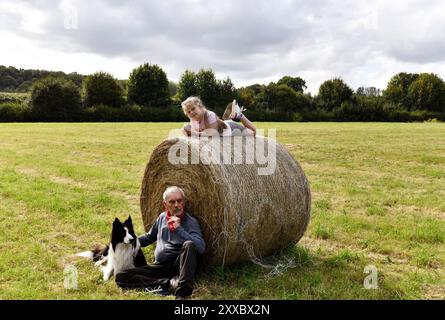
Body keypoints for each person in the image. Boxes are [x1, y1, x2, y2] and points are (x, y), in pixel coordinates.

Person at [115, 186, 205, 300]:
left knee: (189, 244)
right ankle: (165, 284)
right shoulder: (162, 217)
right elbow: (149, 237)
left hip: (179, 267)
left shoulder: (191, 222)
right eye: (172, 202)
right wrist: (129, 242)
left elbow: (200, 247)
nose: (176, 205)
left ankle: (182, 292)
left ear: (184, 202)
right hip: (160, 266)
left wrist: (179, 229)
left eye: (179, 201)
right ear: (165, 204)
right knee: (121, 277)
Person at [181, 96, 256, 137]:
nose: (191, 112)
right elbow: (196, 134)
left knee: (253, 132)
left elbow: (212, 134)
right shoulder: (193, 120)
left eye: (193, 109)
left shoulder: (209, 115)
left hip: (231, 129)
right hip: (223, 124)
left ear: (200, 106)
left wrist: (193, 133)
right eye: (188, 112)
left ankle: (239, 115)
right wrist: (186, 131)